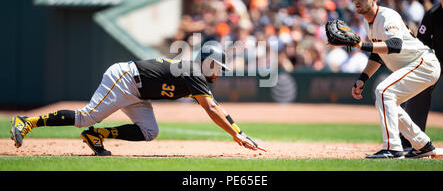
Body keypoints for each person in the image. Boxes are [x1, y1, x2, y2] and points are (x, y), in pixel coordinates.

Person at [10, 45, 259, 156]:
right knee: (86, 116)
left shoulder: (195, 73)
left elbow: (217, 107)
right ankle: (27, 122)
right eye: (218, 67)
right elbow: (212, 108)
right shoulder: (193, 71)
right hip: (126, 78)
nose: (219, 72)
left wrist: (238, 130)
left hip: (139, 92)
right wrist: (236, 135)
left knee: (150, 131)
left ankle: (95, 136)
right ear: (209, 63)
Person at [348, 0, 441, 159]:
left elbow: (394, 45)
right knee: (384, 100)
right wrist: (363, 78)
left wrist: (361, 45)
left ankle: (392, 148)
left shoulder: (387, 15)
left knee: (383, 92)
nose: (356, 0)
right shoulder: (368, 23)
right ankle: (423, 145)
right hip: (415, 65)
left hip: (423, 62)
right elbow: (378, 55)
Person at [400, 0, 443, 151]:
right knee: (419, 89)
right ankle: (411, 140)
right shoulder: (432, 14)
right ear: (440, 0)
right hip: (438, 60)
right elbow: (423, 41)